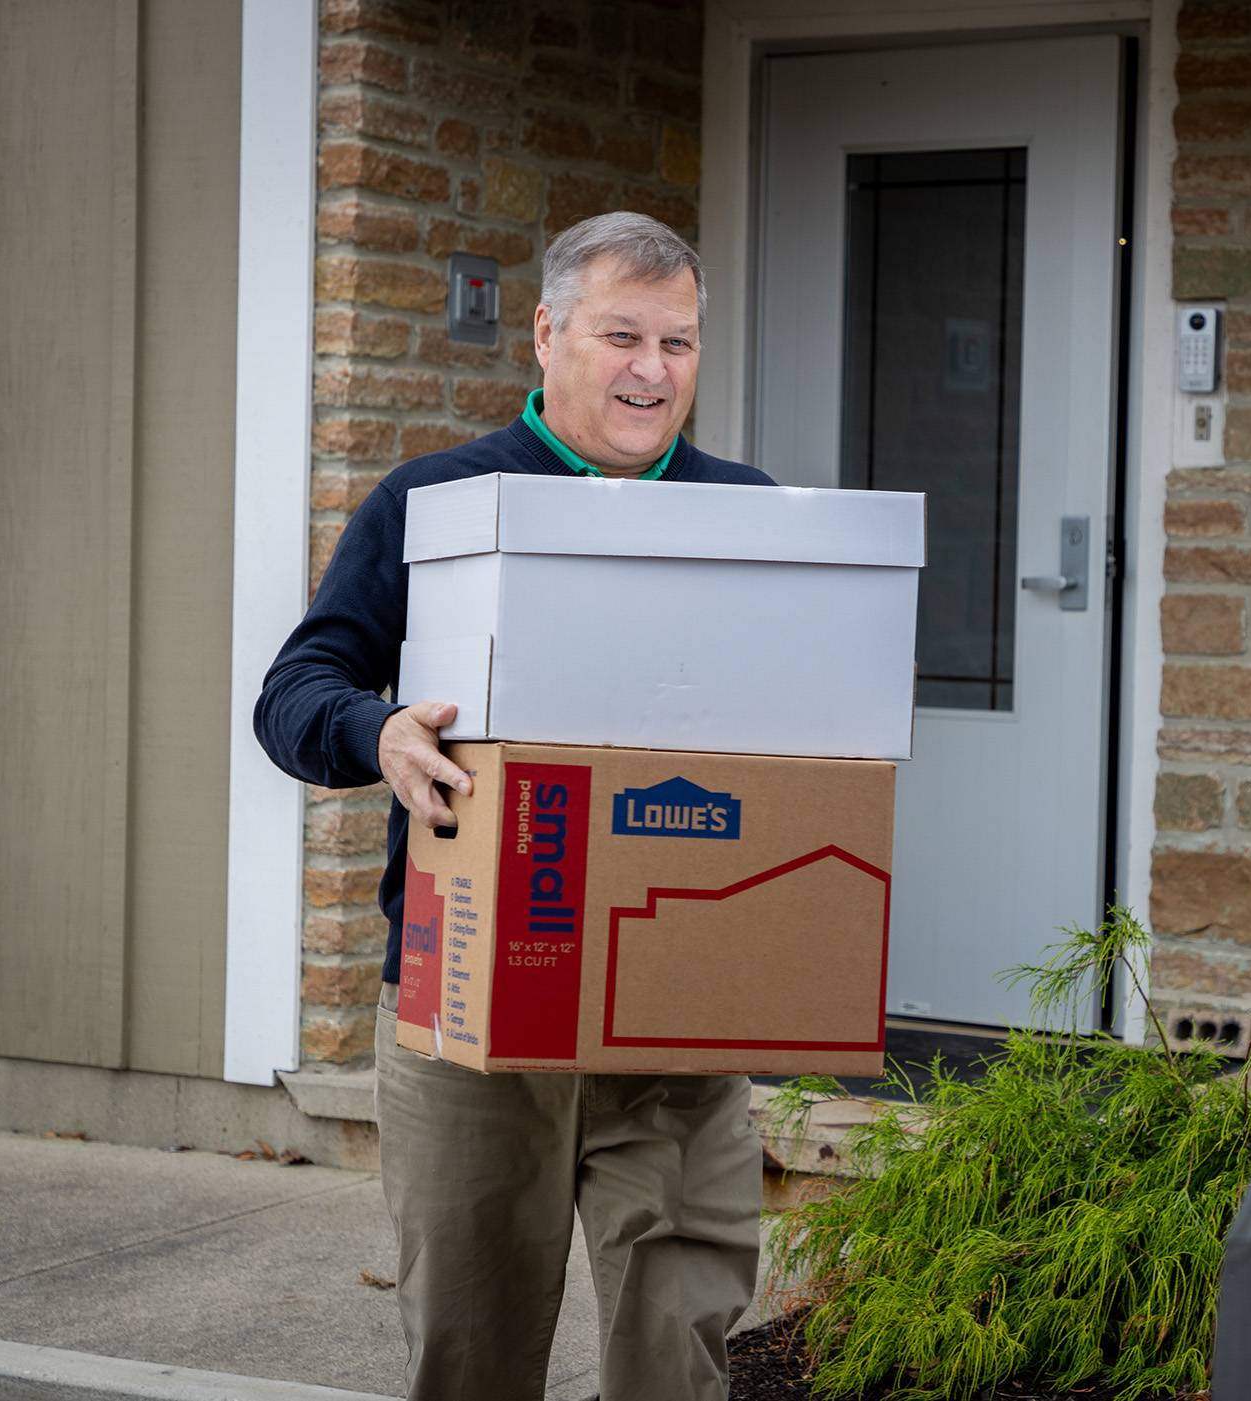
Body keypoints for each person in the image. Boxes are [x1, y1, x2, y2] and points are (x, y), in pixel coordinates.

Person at [255, 212, 773, 1401]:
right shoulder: (435, 501)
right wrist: (374, 729)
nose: (652, 370)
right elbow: (296, 692)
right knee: (471, 1354)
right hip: (474, 1005)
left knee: (677, 1351)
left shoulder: (751, 518)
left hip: (679, 1010)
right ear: (546, 335)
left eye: (680, 343)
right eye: (621, 335)